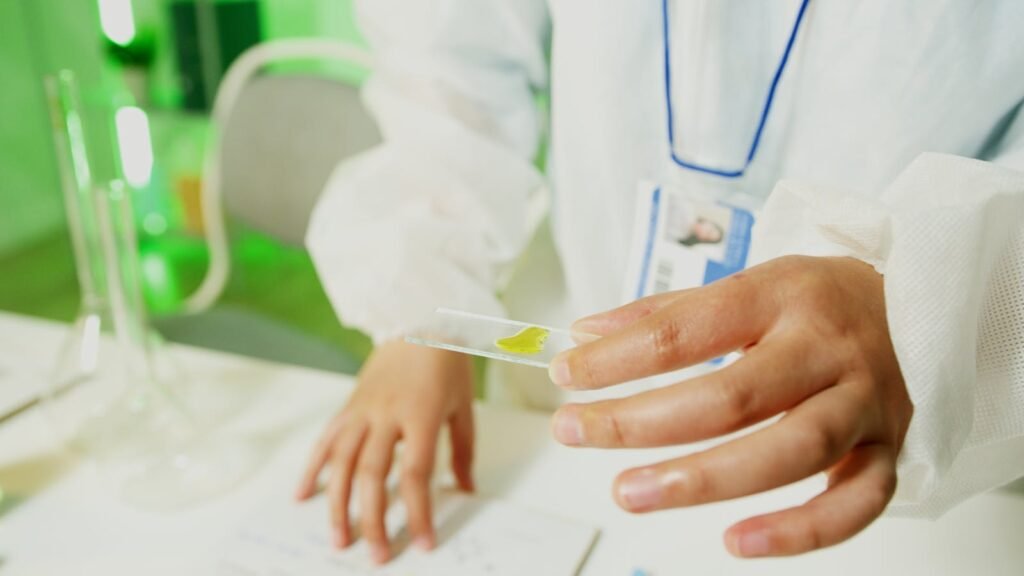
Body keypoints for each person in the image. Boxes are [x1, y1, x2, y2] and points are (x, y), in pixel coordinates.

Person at [300, 0, 1024, 566]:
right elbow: (452, 67)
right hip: (572, 405)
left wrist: (920, 308)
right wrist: (427, 296)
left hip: (919, 460)